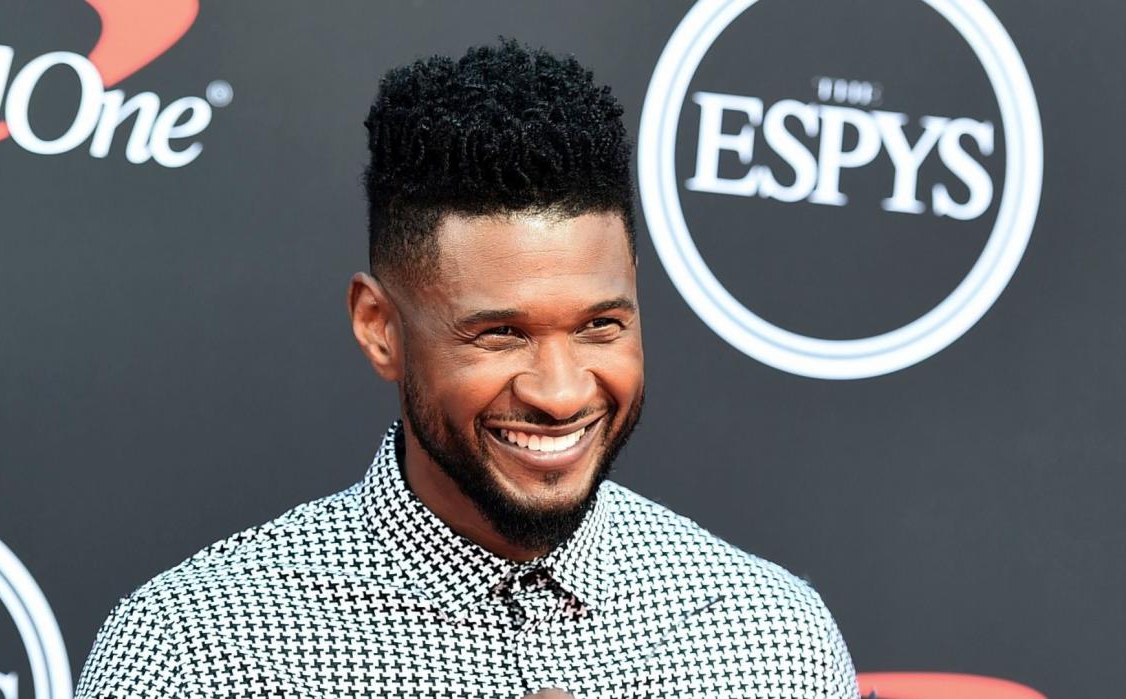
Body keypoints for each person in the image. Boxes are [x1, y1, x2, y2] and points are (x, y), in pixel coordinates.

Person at [75, 39, 859, 698]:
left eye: (599, 326)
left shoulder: (771, 640)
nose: (560, 391)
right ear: (380, 329)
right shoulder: (197, 653)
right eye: (499, 335)